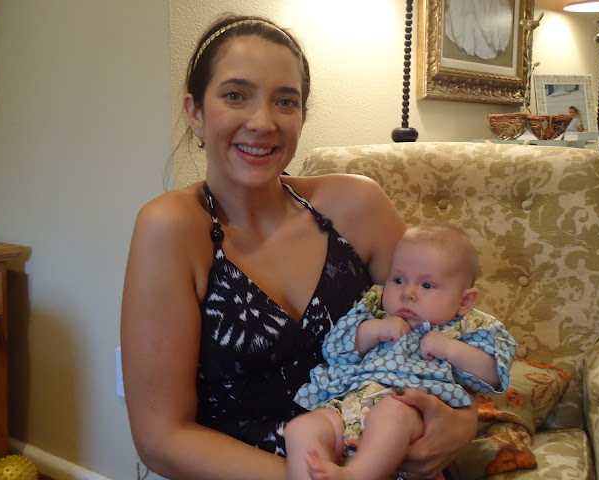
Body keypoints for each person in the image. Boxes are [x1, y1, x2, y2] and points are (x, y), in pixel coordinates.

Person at [120, 14, 478, 480]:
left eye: (285, 101)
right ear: (195, 112)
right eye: (235, 95)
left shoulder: (357, 205)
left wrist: (463, 423)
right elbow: (161, 439)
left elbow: (452, 323)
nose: (263, 122)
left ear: (302, 116)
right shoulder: (170, 228)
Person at [285, 224, 516, 480]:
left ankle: (354, 475)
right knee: (301, 428)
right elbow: (334, 350)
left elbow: (494, 375)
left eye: (427, 285)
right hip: (347, 409)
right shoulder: (375, 310)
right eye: (398, 280)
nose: (408, 293)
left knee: (392, 413)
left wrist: (450, 348)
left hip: (412, 415)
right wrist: (374, 331)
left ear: (464, 301)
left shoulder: (468, 327)